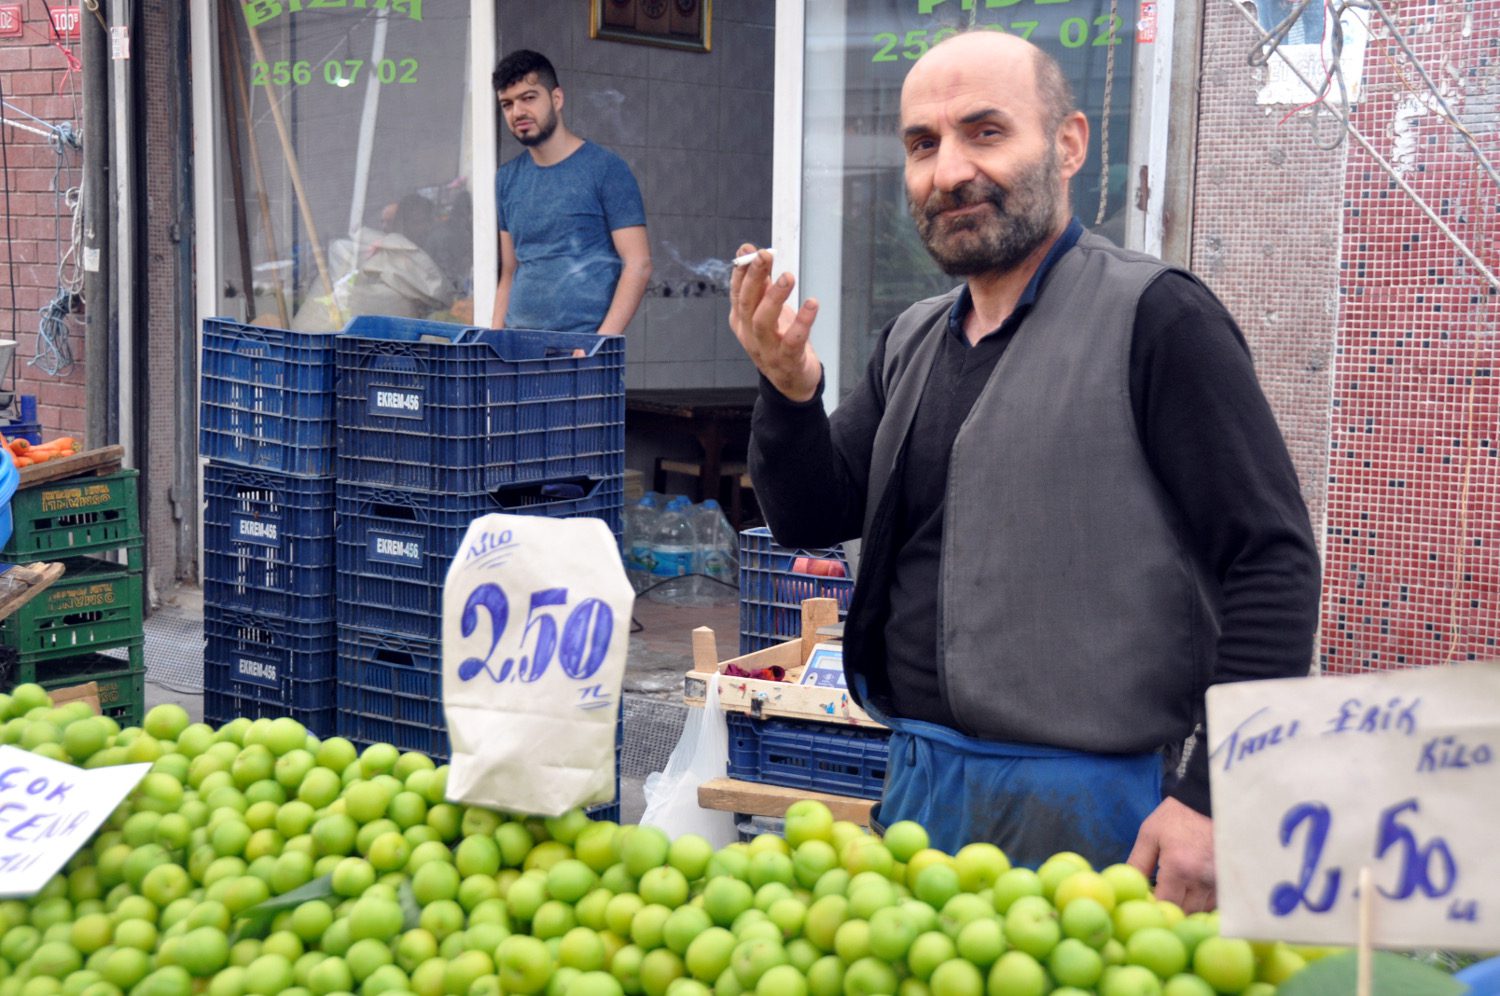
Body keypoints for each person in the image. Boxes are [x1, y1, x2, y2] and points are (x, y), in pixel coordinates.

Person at [729, 30, 1321, 913]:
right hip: (924, 793)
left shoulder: (1157, 320)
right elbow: (813, 516)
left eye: (986, 132)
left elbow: (1273, 561)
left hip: (1106, 808)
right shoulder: (913, 340)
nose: (949, 170)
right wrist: (789, 390)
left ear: (1070, 143)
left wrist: (1211, 798)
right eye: (923, 145)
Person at [490, 49, 651, 335]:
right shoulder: (506, 178)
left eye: (528, 98)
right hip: (516, 348)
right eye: (507, 104)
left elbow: (638, 264)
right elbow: (509, 272)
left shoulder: (606, 169)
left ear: (556, 99)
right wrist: (494, 343)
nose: (517, 112)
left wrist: (599, 345)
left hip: (583, 348)